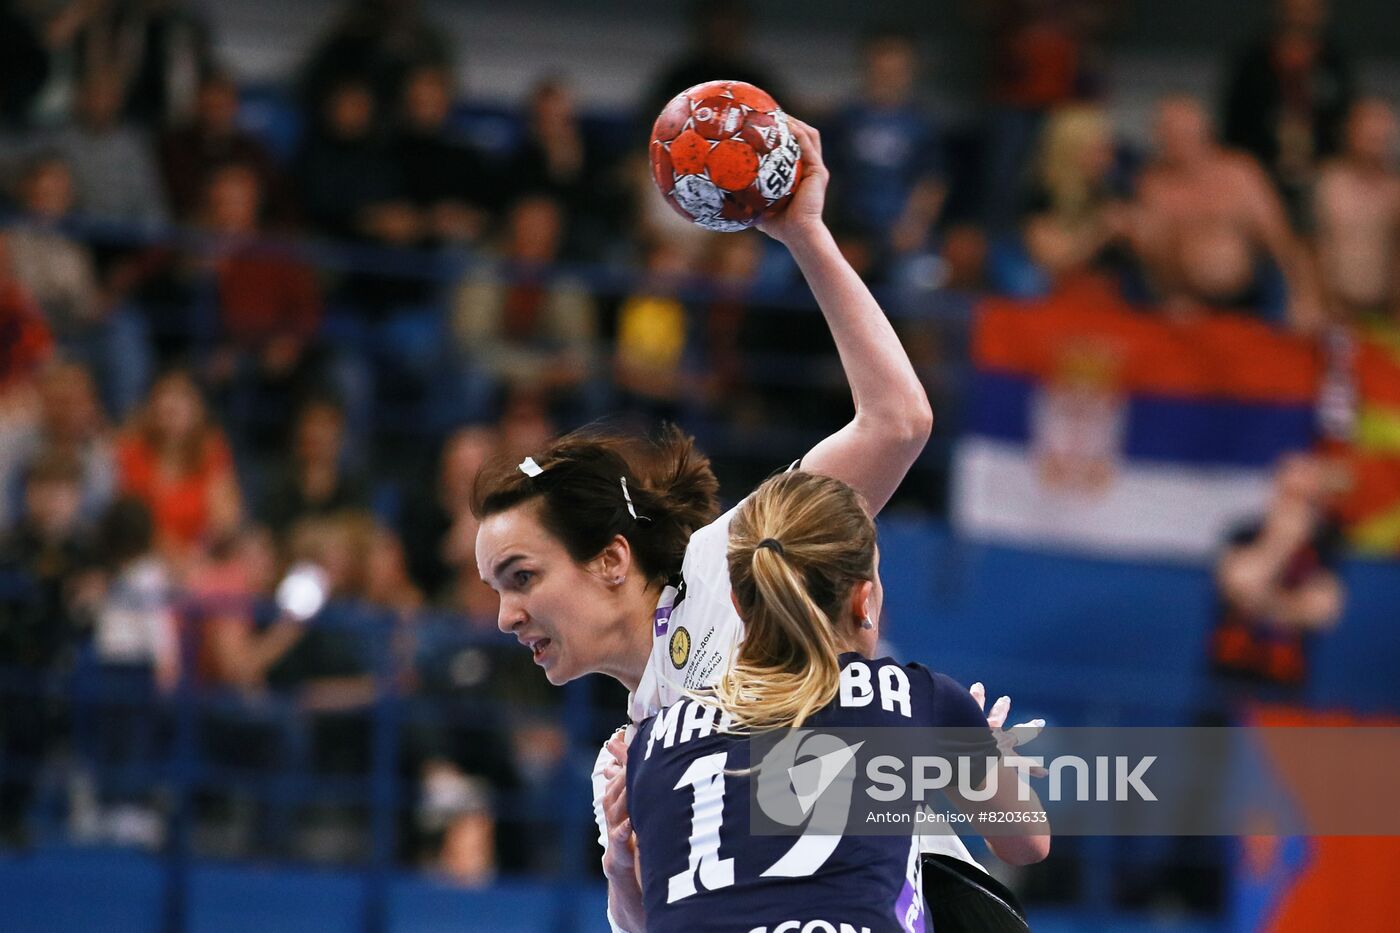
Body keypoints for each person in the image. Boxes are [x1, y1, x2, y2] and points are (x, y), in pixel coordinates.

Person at [474, 120, 1017, 931]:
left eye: (522, 577)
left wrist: (803, 233)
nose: (505, 614)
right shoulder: (633, 748)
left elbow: (898, 420)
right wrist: (623, 864)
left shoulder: (730, 559)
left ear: (612, 559)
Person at [624, 470, 1049, 932]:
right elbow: (1026, 843)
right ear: (864, 601)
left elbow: (656, 907)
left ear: (740, 604)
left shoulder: (652, 741)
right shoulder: (916, 698)